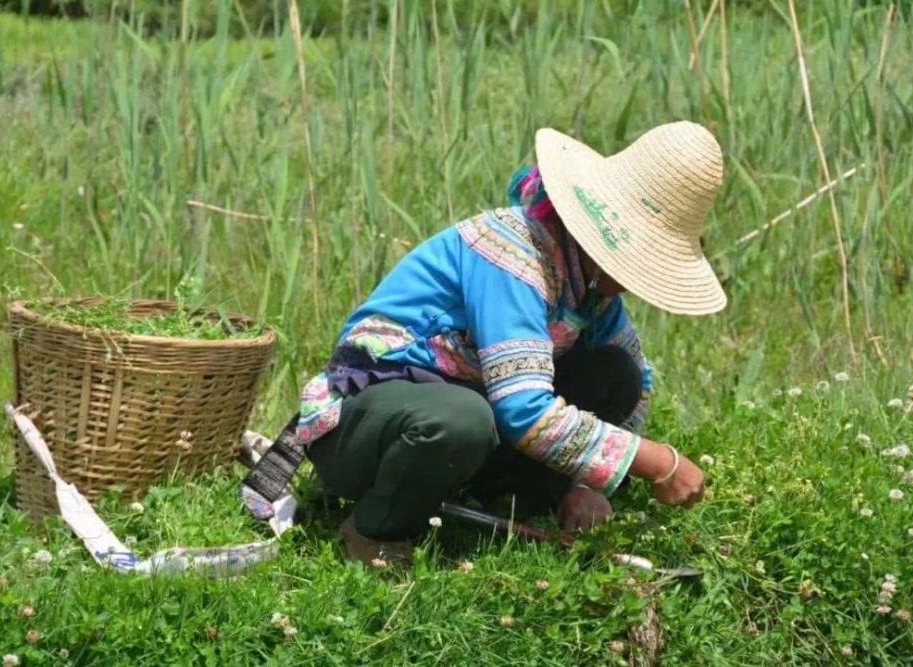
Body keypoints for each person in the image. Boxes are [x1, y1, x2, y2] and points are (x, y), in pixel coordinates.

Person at [298, 121, 724, 565]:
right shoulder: (512, 253)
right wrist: (658, 462)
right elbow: (523, 412)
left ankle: (487, 496)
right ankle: (375, 531)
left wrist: (587, 485)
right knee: (462, 419)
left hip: (469, 427)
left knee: (614, 372)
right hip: (370, 427)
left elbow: (638, 382)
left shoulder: (590, 290)